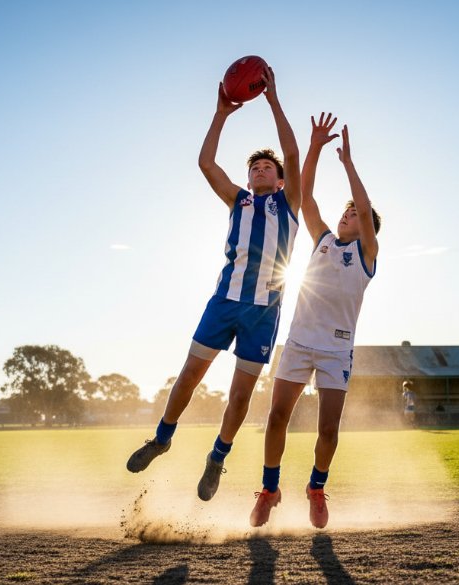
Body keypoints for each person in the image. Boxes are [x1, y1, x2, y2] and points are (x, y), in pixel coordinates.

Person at [125, 67, 301, 502]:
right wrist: (221, 114)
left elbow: (294, 156)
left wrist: (274, 101)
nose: (260, 170)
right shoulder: (237, 199)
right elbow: (206, 163)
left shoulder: (288, 201)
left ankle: (217, 457)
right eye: (254, 167)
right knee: (189, 373)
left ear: (278, 180)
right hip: (224, 302)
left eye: (267, 167)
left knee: (240, 396)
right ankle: (162, 438)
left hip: (263, 310)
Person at [249, 112, 381, 528]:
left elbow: (363, 203)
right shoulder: (322, 239)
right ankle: (270, 490)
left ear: (368, 229)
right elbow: (304, 198)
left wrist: (347, 163)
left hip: (336, 351)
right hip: (299, 343)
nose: (348, 216)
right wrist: (315, 148)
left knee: (328, 431)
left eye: (355, 215)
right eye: (345, 213)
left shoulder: (367, 255)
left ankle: (316, 488)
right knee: (275, 418)